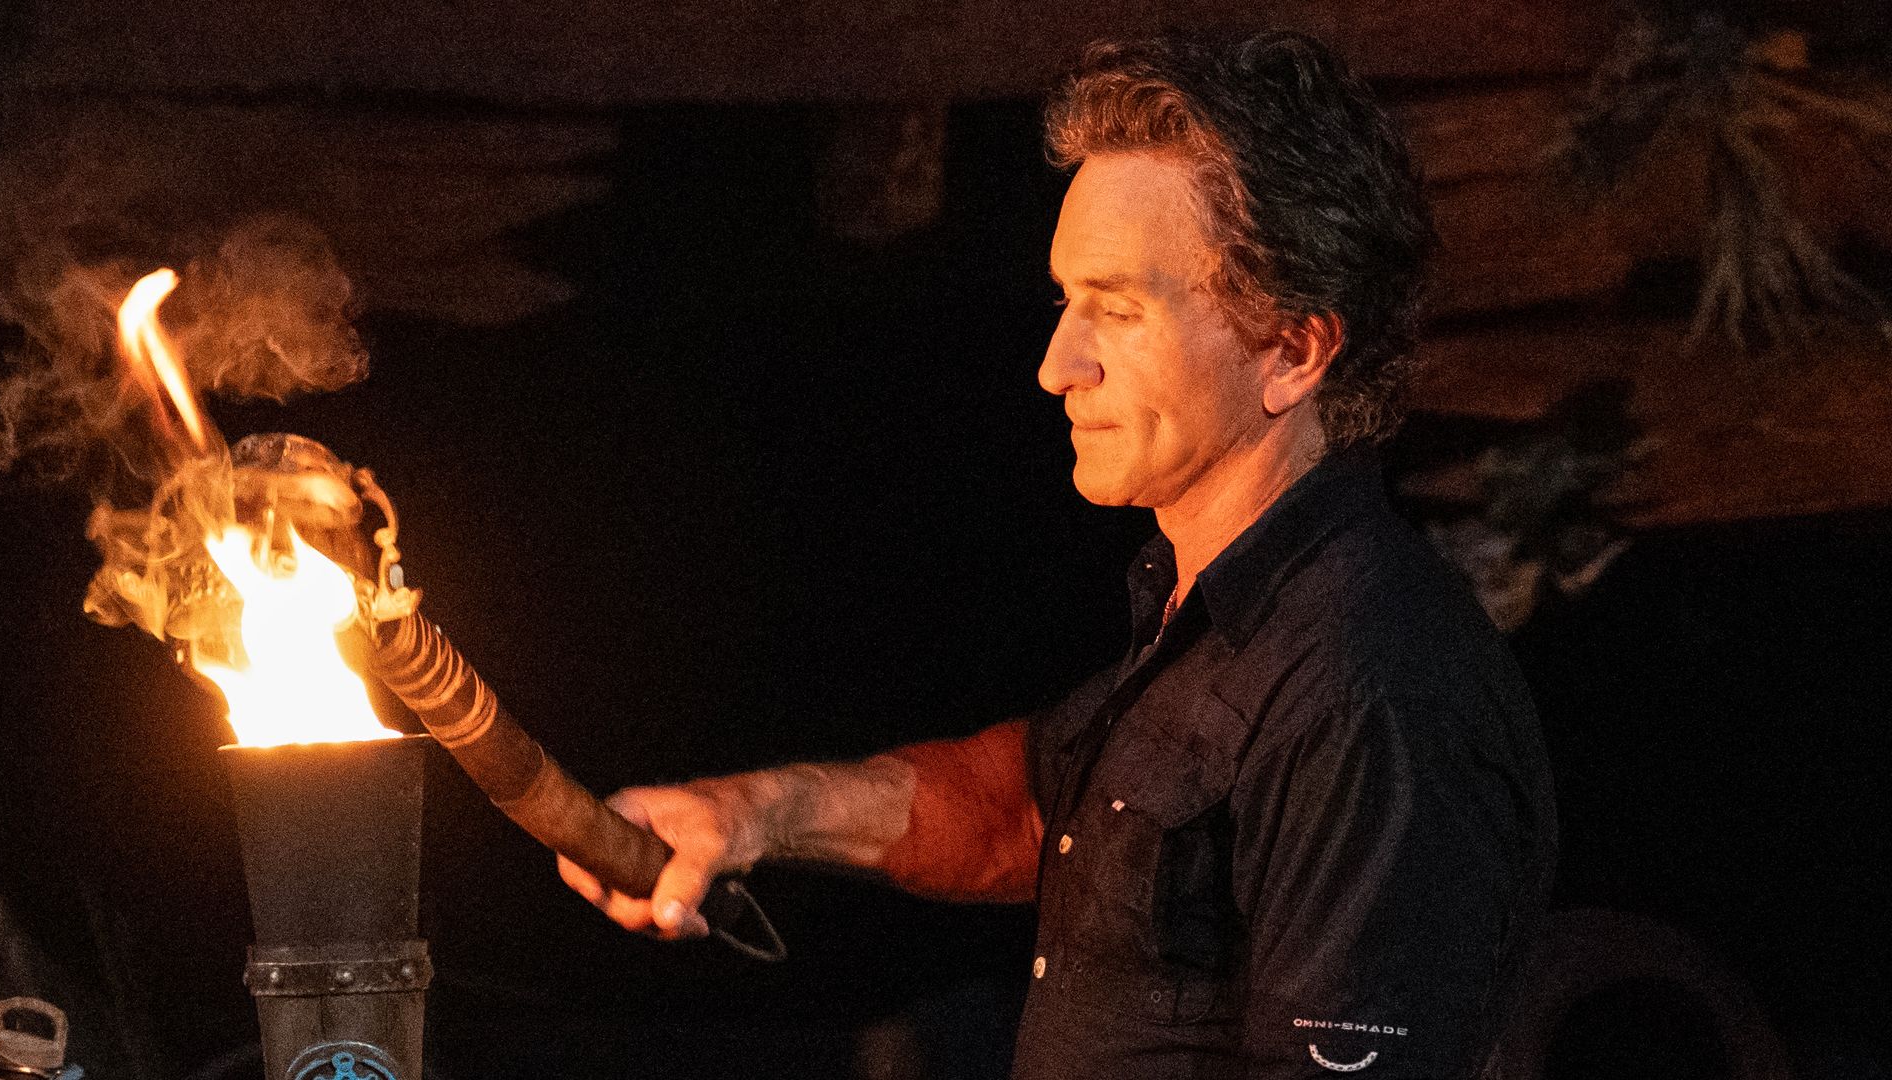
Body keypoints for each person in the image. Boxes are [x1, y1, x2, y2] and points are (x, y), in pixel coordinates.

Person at [560, 32, 1555, 1080]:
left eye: (1117, 312)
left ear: (1293, 349)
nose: (1056, 365)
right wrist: (751, 812)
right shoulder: (1210, 623)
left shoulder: (1370, 690)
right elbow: (1027, 814)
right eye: (1065, 303)